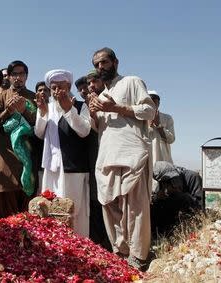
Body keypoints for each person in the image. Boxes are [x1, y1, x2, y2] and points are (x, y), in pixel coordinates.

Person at [89, 47, 155, 269]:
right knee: (110, 206)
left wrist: (116, 107)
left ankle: (138, 256)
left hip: (131, 153)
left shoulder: (132, 82)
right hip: (108, 155)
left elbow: (149, 111)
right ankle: (121, 252)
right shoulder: (99, 96)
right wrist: (93, 114)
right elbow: (99, 127)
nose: (100, 67)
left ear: (115, 62)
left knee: (135, 207)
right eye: (96, 64)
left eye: (104, 62)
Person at [34, 69, 91, 237]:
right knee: (51, 211)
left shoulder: (80, 106)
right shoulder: (47, 107)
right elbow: (38, 133)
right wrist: (43, 113)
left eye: (61, 87)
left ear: (69, 86)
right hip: (51, 170)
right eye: (53, 88)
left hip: (73, 170)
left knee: (75, 212)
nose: (57, 91)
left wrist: (69, 111)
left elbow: (84, 131)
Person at [0, 60, 39, 218]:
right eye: (14, 74)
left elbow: (39, 124)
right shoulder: (2, 96)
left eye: (22, 74)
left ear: (26, 76)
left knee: (28, 207)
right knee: (7, 211)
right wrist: (8, 111)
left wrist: (24, 109)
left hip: (28, 156)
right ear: (9, 77)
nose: (18, 77)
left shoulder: (33, 97)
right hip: (7, 157)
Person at [85, 70, 112, 251]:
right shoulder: (89, 104)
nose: (91, 86)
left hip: (110, 156)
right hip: (94, 160)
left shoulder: (110, 97)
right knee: (95, 202)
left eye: (95, 81)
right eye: (89, 83)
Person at [151, 161, 204, 237]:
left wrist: (179, 195)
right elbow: (158, 200)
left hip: (189, 216)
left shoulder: (192, 177)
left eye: (173, 181)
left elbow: (200, 205)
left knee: (183, 198)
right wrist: (157, 198)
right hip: (172, 218)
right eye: (166, 182)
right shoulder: (163, 182)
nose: (173, 184)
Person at [148, 90, 175, 165]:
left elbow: (171, 139)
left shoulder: (167, 118)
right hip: (146, 161)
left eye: (154, 102)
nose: (152, 105)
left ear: (158, 103)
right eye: (149, 102)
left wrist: (158, 125)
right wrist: (149, 125)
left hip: (163, 161)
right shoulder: (139, 118)